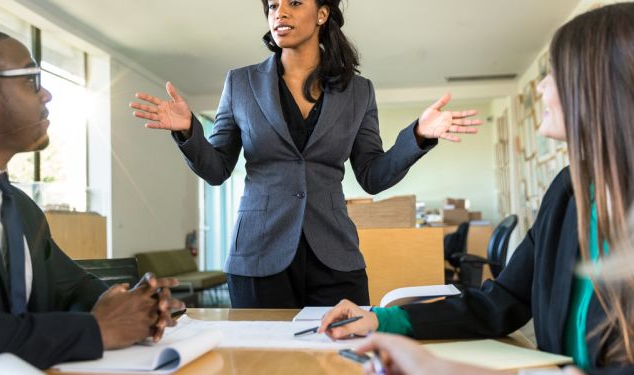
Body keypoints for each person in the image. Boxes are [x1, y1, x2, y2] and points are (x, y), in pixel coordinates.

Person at [319, 3, 634, 373]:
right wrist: (381, 319)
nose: (542, 84)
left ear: (602, 85)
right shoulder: (569, 190)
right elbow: (504, 299)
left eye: (556, 72)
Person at [129, 0, 482, 308]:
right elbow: (218, 168)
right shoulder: (240, 84)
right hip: (258, 254)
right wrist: (188, 131)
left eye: (295, 2)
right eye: (272, 6)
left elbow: (373, 175)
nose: (279, 11)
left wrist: (417, 136)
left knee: (342, 360)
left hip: (335, 256)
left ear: (322, 14)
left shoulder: (358, 91)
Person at [0, 28, 183, 375]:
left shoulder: (20, 207)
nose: (47, 94)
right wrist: (98, 330)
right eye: (31, 79)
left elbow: (77, 292)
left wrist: (141, 305)